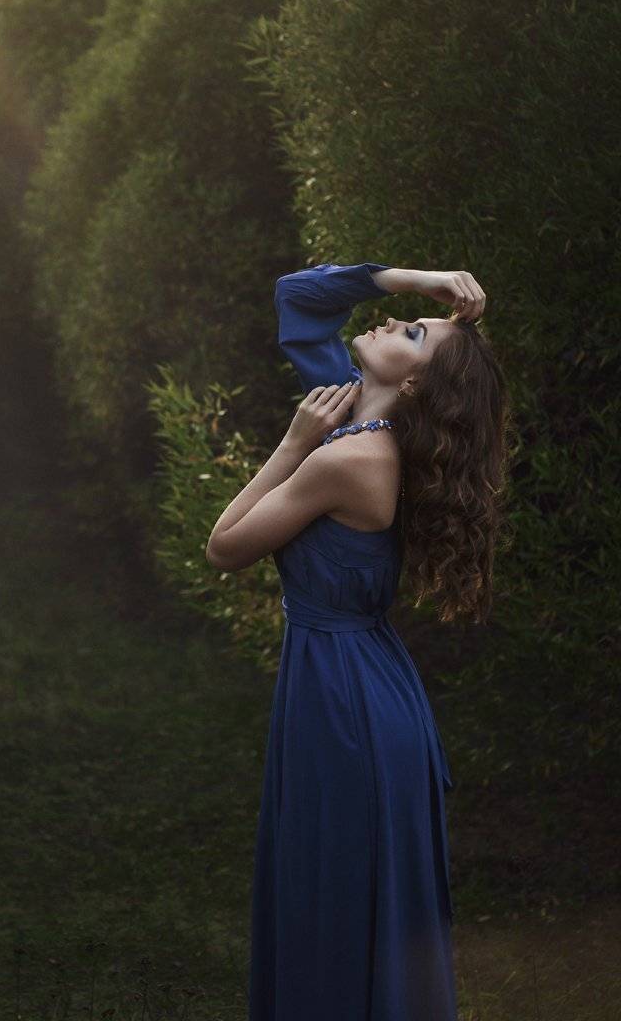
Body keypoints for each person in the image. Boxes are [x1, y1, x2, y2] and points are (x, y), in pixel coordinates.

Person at [205, 261, 509, 1021]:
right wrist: (419, 281)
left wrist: (293, 443)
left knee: (335, 902)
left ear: (414, 384)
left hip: (345, 706)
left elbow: (225, 547)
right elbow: (296, 297)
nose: (394, 322)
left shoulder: (347, 456)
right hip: (358, 687)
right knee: (337, 897)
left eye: (414, 335)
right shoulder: (359, 415)